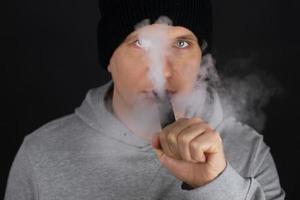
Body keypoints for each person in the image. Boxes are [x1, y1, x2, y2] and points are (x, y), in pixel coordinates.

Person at [5, 0, 285, 199]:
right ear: (109, 60)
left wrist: (217, 185)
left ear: (202, 57)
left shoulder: (248, 152)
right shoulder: (41, 153)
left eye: (182, 43)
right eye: (140, 43)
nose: (162, 71)